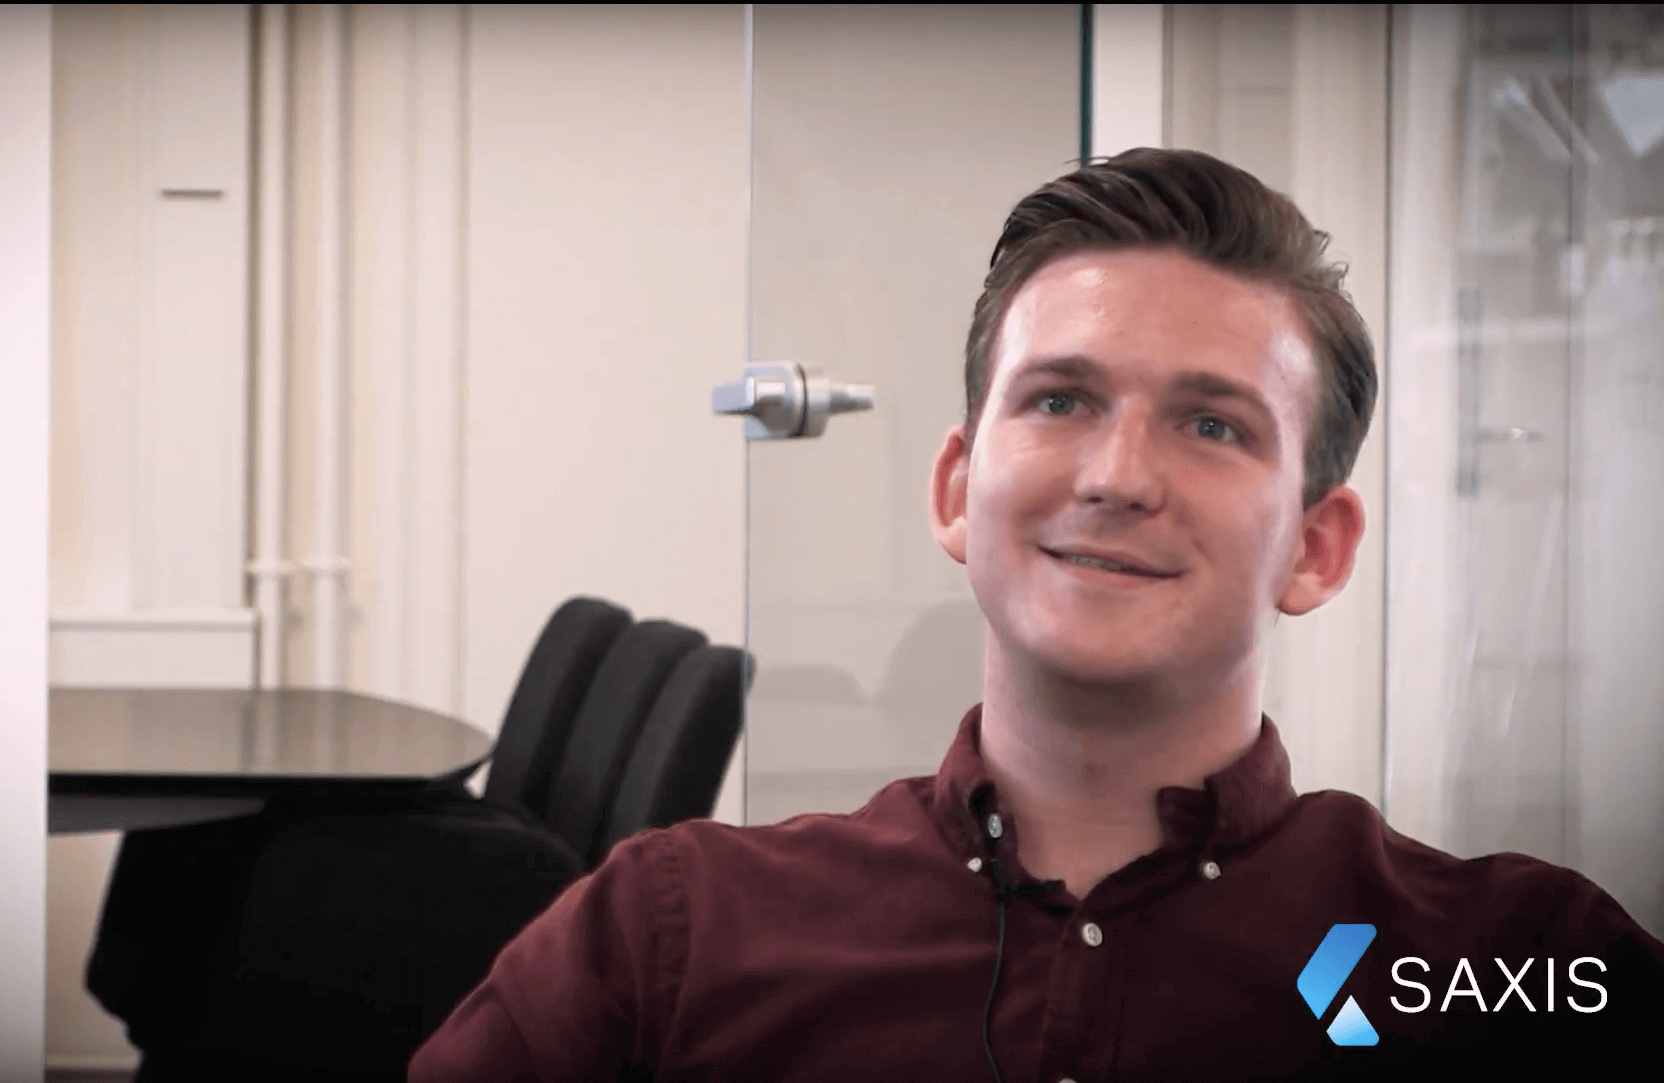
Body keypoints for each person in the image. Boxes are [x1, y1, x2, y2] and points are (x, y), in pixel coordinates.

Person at [407, 148, 1664, 1082]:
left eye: (1211, 423)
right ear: (958, 491)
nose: (1116, 476)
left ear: (1316, 548)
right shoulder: (668, 938)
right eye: (1060, 400)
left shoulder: (1511, 966)